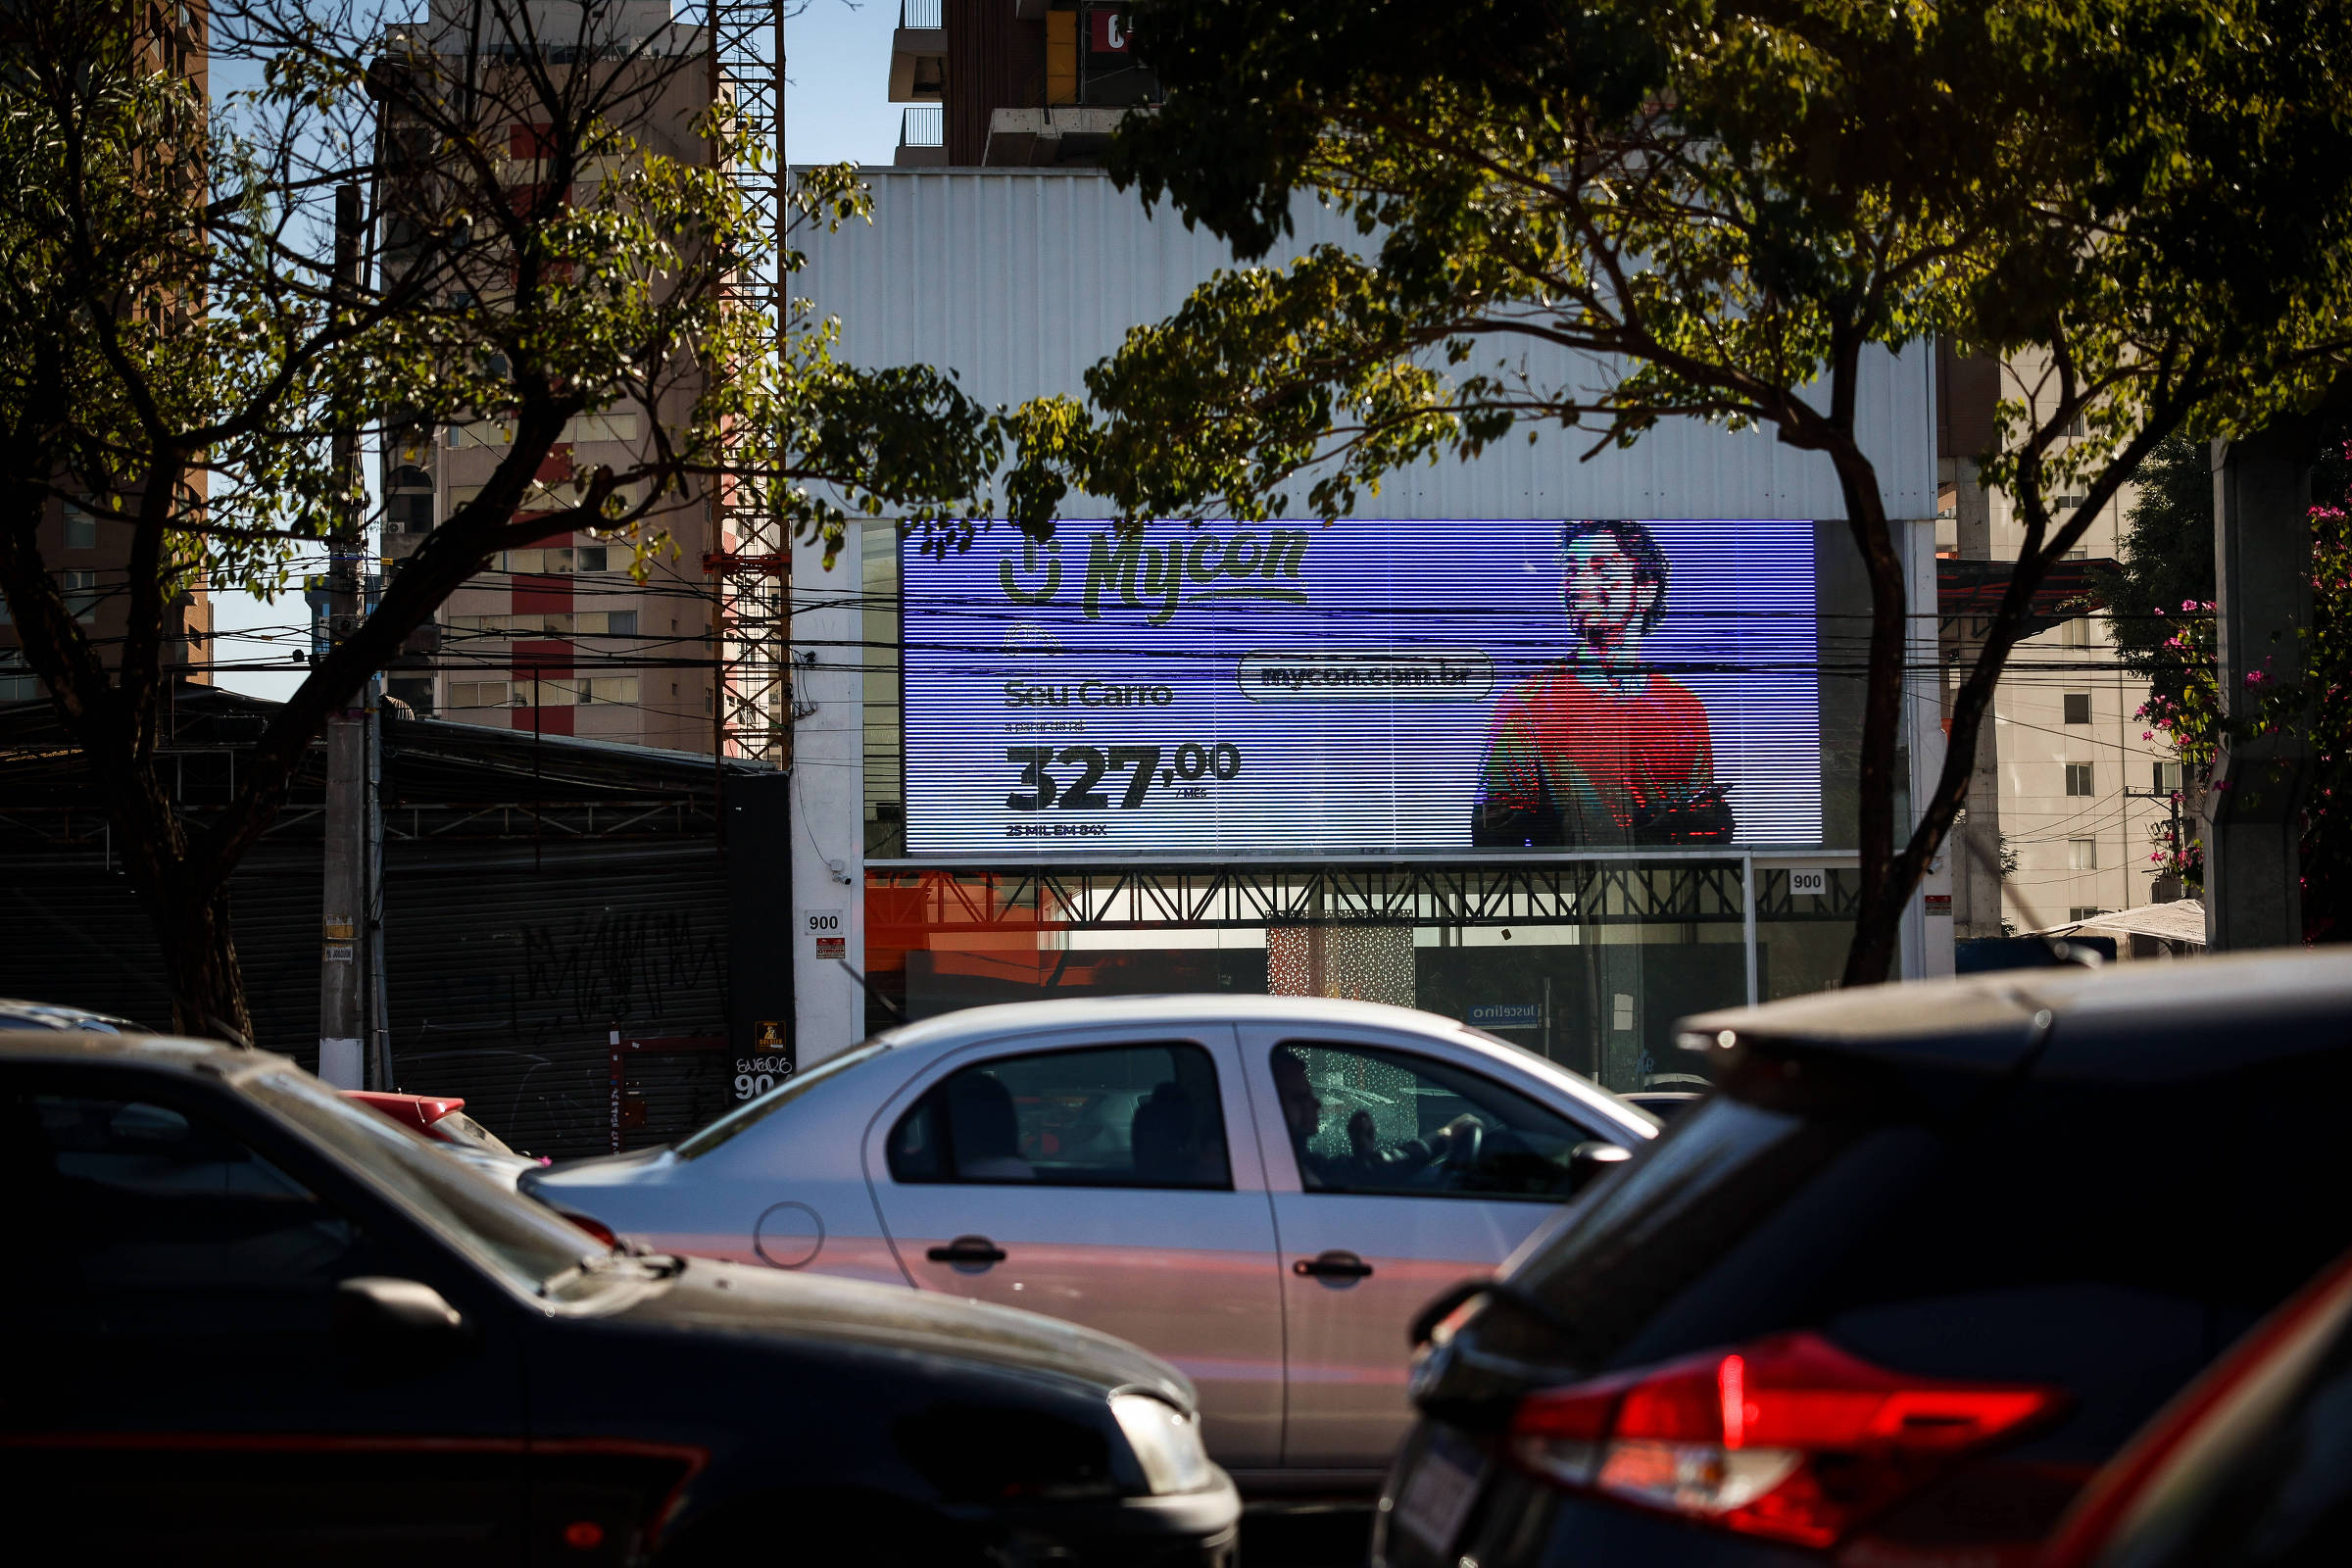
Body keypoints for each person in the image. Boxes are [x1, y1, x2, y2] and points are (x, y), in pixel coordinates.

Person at [1473, 518, 1733, 847]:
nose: (1580, 583)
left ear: (1647, 589)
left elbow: (1703, 822)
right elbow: (1495, 826)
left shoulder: (1681, 705)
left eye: (1602, 567)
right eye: (1572, 567)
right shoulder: (1527, 702)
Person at [1270, 1050, 1477, 1190]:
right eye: (1300, 1098)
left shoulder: (1293, 1164)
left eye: (1311, 1095)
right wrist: (1444, 1137)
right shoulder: (1282, 1171)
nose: (1316, 1104)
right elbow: (1370, 1173)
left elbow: (1359, 1174)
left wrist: (1363, 1151)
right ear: (1269, 1102)